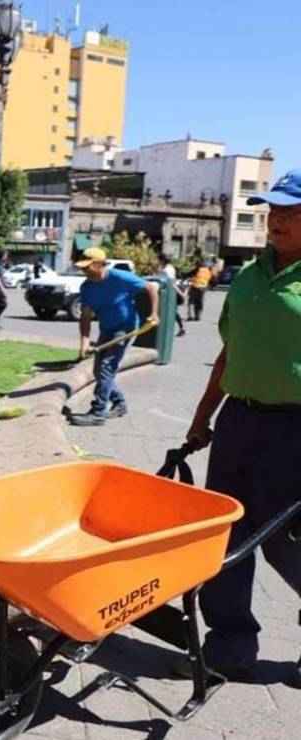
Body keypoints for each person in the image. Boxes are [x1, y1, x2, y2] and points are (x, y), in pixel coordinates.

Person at [178, 170, 301, 683]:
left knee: (286, 542)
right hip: (238, 423)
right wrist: (201, 418)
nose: (276, 220)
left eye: (290, 213)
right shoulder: (250, 276)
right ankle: (230, 643)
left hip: (293, 430)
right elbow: (229, 353)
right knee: (224, 535)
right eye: (271, 211)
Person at [67, 247, 159, 426]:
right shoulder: (87, 287)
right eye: (83, 267)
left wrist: (154, 314)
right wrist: (84, 342)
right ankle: (119, 403)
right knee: (97, 371)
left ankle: (98, 411)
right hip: (107, 329)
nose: (84, 271)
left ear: (100, 264)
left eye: (88, 267)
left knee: (106, 367)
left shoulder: (120, 278)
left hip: (126, 328)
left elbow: (151, 287)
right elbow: (85, 316)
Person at [157, 254, 187, 337]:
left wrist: (181, 294)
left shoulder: (166, 270)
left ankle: (180, 328)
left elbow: (172, 283)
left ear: (162, 260)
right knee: (172, 311)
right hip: (168, 293)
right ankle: (180, 328)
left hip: (168, 294)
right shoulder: (169, 268)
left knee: (170, 311)